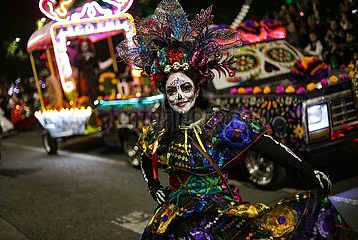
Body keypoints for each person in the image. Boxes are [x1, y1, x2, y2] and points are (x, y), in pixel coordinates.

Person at [117, 1, 354, 238]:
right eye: (172, 91)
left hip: (219, 211)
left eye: (185, 88)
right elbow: (146, 157)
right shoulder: (160, 131)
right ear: (165, 95)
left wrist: (307, 171)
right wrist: (154, 186)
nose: (180, 96)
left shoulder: (221, 123)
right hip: (177, 214)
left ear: (197, 90)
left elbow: (269, 146)